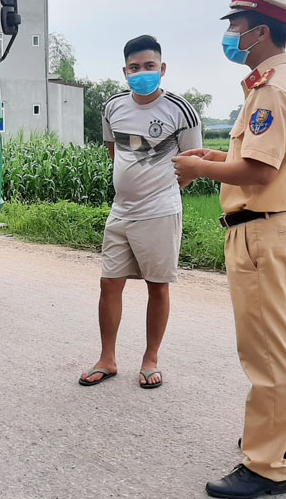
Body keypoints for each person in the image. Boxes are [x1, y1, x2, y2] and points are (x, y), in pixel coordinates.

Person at [173, 0, 286, 498]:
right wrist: (218, 157)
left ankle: (263, 464)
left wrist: (196, 169)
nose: (230, 35)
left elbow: (257, 174)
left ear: (259, 31)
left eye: (235, 25)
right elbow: (260, 161)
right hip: (281, 228)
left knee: (265, 350)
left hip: (259, 232)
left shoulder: (272, 90)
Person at [79, 35, 202, 389]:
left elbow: (194, 166)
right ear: (125, 71)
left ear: (162, 69)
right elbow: (113, 150)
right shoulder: (113, 107)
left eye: (149, 66)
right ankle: (107, 358)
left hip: (161, 211)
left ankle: (150, 359)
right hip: (121, 211)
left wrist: (159, 192)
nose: (142, 73)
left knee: (157, 286)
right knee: (109, 283)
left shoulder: (181, 110)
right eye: (135, 68)